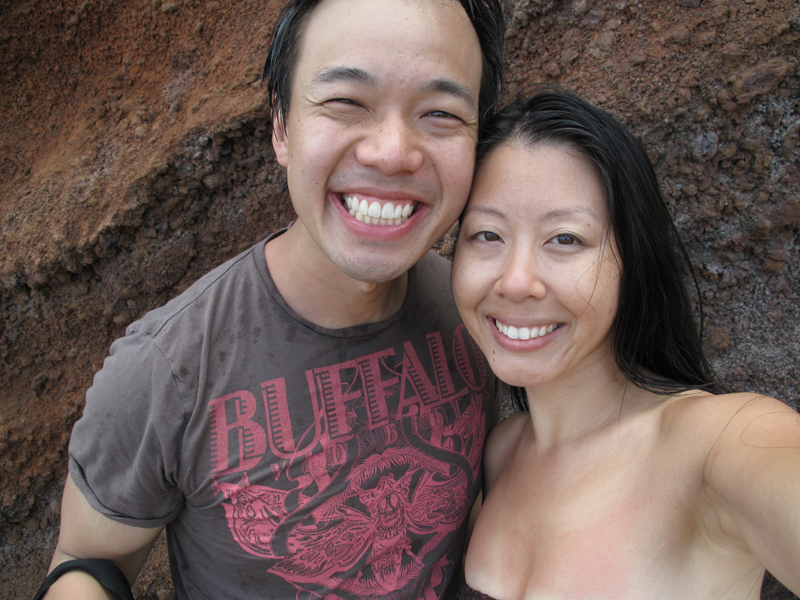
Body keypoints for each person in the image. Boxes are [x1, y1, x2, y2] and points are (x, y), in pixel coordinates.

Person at [40, 1, 505, 598]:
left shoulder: (482, 316)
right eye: (346, 101)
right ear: (282, 127)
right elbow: (87, 559)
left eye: (441, 113)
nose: (393, 152)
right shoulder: (166, 370)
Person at [451, 88, 800, 600]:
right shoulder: (499, 454)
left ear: (632, 261)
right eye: (487, 235)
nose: (516, 281)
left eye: (565, 238)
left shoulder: (716, 442)